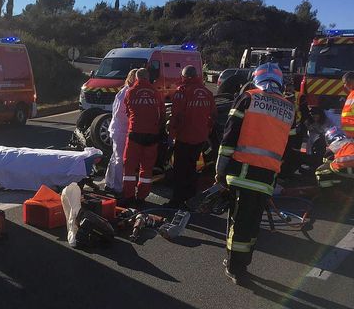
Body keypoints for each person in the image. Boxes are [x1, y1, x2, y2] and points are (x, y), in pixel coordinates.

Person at [215, 63, 295, 284]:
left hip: (242, 172)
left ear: (256, 78)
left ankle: (234, 267)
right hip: (267, 176)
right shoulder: (288, 107)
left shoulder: (249, 98)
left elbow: (230, 134)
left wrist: (220, 170)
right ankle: (243, 263)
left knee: (238, 222)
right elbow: (289, 143)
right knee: (251, 223)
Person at [167, 65, 217, 209]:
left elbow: (176, 117)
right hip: (200, 138)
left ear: (185, 77)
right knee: (192, 167)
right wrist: (206, 131)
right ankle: (190, 198)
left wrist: (171, 135)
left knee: (180, 170)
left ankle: (177, 200)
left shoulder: (182, 92)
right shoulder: (207, 92)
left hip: (184, 137)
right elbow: (213, 115)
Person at [122, 68, 165, 206]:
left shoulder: (130, 92)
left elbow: (128, 112)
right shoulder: (156, 93)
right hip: (152, 135)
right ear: (148, 78)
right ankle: (142, 196)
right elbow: (162, 113)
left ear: (136, 78)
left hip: (135, 133)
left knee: (129, 167)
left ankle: (128, 196)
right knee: (146, 168)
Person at [104, 69, 137, 194]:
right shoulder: (126, 93)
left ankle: (109, 182)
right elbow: (118, 113)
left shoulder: (125, 92)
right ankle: (118, 187)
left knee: (115, 157)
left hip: (118, 128)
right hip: (120, 129)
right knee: (119, 159)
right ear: (131, 79)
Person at [341, 72, 354, 138]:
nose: (344, 86)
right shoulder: (351, 94)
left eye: (345, 83)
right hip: (350, 135)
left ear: (351, 81)